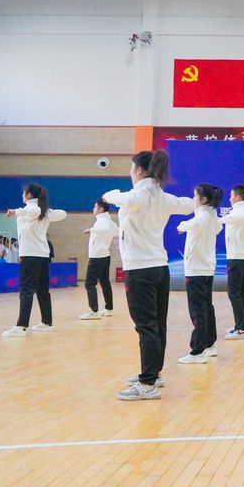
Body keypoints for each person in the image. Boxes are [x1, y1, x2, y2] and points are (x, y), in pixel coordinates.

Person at [103, 150, 195, 401]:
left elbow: (117, 197)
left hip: (140, 270)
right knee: (157, 324)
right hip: (159, 269)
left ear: (140, 170)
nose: (130, 173)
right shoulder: (163, 197)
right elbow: (188, 205)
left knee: (146, 326)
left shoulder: (138, 195)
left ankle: (148, 383)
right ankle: (154, 373)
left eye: (131, 168)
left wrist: (109, 195)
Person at [3, 183, 66, 336]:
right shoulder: (40, 210)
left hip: (31, 255)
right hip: (42, 256)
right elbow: (42, 212)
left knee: (27, 290)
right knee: (42, 290)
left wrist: (16, 211)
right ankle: (46, 322)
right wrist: (46, 212)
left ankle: (21, 326)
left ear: (29, 195)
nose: (22, 195)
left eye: (23, 193)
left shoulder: (34, 209)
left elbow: (61, 213)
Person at [177, 184, 225, 364]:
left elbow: (185, 224)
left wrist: (181, 226)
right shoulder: (212, 216)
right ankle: (209, 344)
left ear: (203, 199)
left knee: (198, 310)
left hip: (196, 269)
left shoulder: (202, 217)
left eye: (195, 196)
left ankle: (197, 351)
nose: (193, 199)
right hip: (206, 269)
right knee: (206, 307)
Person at [221, 185, 244, 340]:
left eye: (231, 196)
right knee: (243, 291)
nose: (229, 199)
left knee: (234, 293)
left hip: (236, 258)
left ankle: (241, 329)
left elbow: (221, 220)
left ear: (237, 197)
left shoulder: (238, 212)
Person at [79, 199, 119, 320]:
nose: (93, 208)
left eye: (95, 206)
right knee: (104, 282)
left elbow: (105, 229)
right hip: (105, 256)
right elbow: (116, 231)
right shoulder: (108, 221)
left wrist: (91, 230)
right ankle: (109, 308)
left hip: (97, 257)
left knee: (89, 283)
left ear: (101, 209)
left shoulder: (103, 222)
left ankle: (94, 311)